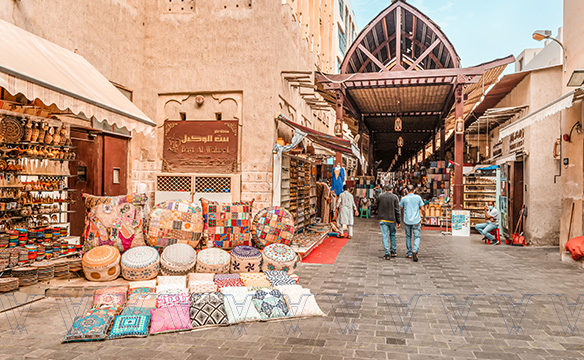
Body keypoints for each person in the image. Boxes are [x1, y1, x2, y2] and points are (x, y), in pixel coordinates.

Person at [399, 185, 425, 262]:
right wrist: (423, 217)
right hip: (416, 220)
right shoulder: (418, 198)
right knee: (417, 236)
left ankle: (409, 253)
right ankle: (415, 250)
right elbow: (422, 209)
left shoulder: (404, 199)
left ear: (406, 191)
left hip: (407, 220)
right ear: (414, 191)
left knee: (408, 236)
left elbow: (400, 207)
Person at [377, 184, 401, 260]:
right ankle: (393, 251)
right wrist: (398, 221)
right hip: (392, 219)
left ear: (385, 189)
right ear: (392, 189)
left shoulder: (380, 196)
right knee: (393, 234)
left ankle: (387, 252)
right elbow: (397, 210)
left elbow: (376, 205)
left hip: (383, 219)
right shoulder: (395, 197)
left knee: (385, 235)